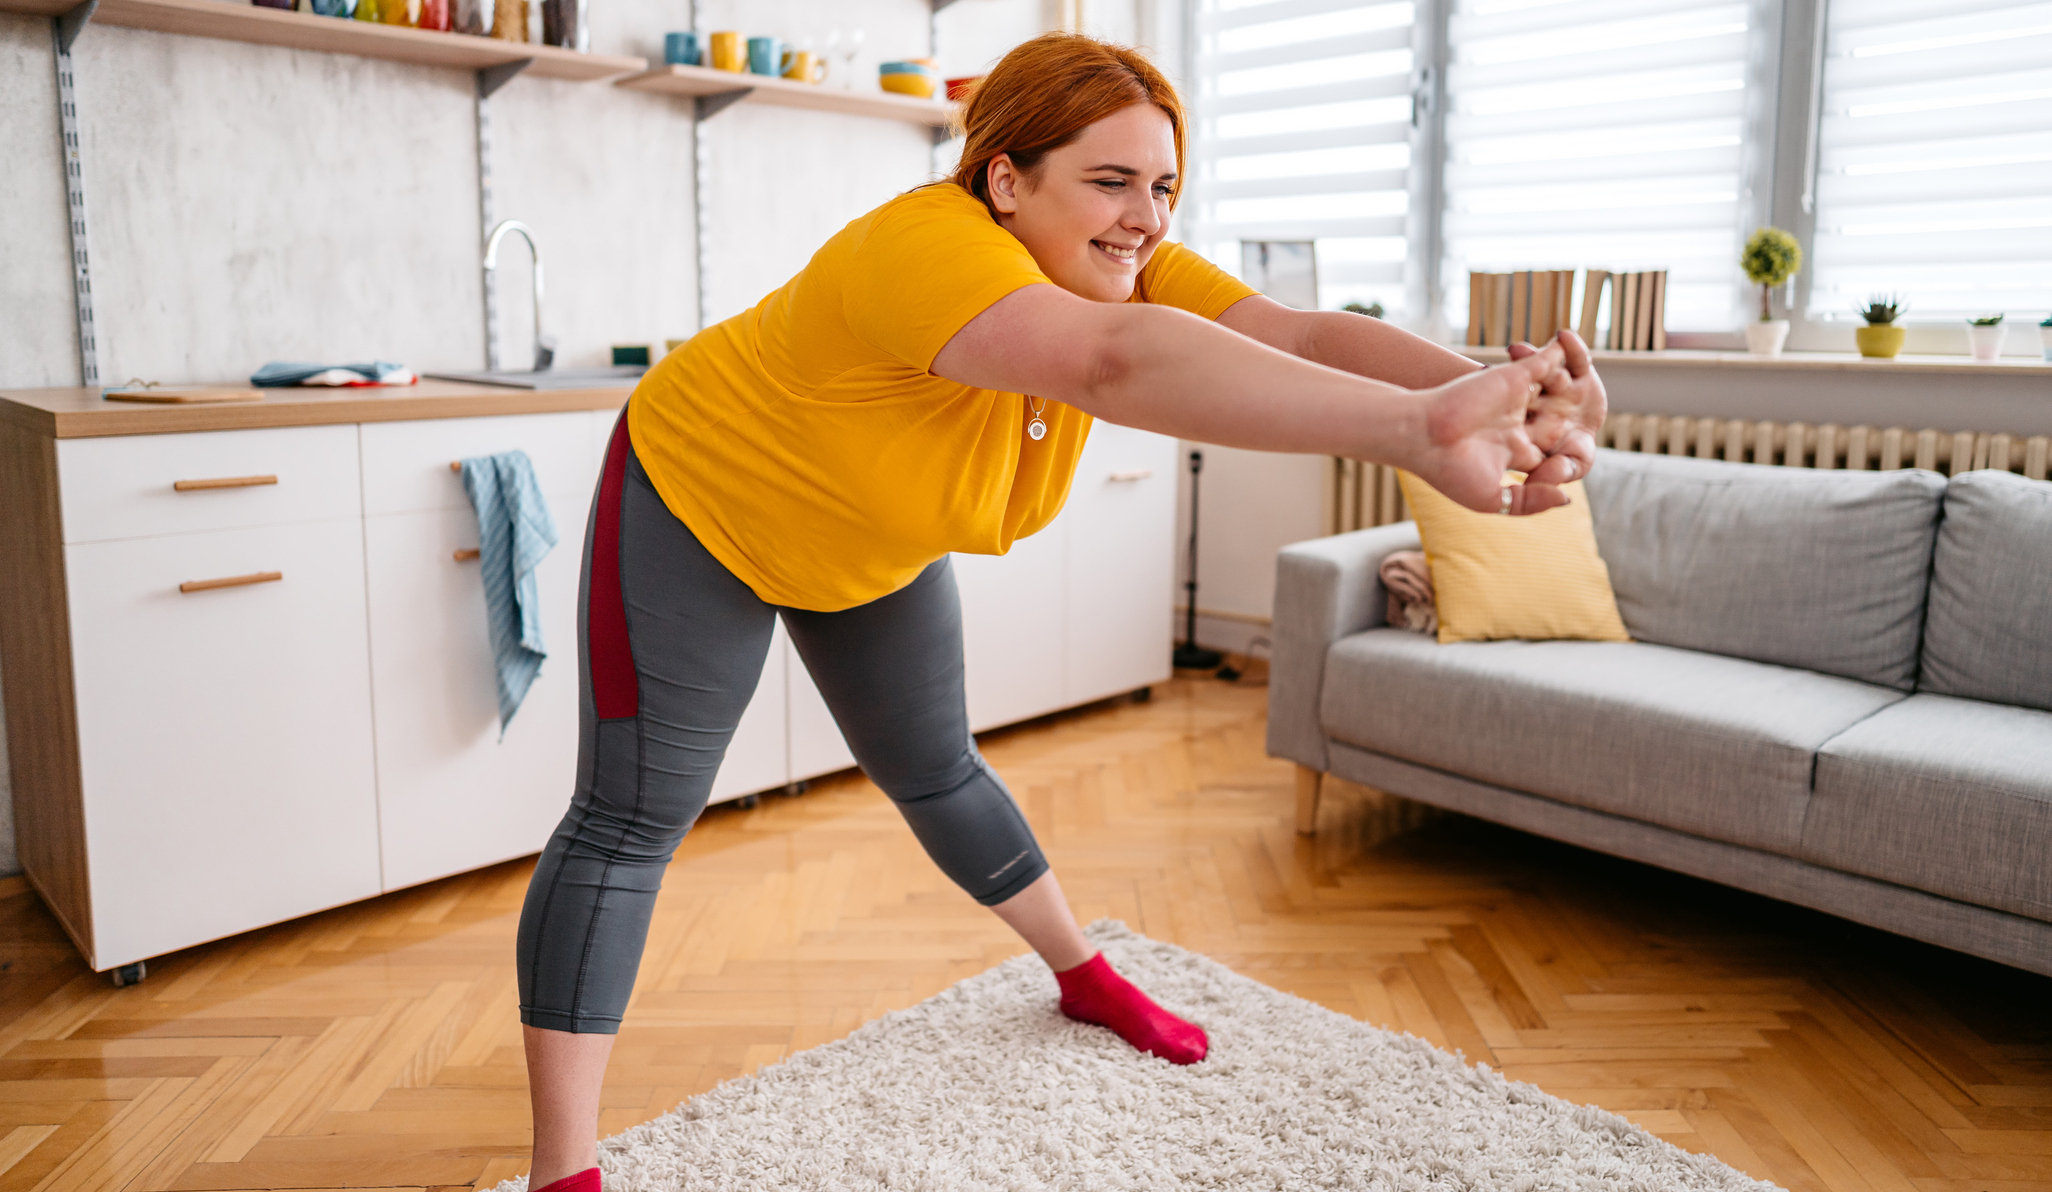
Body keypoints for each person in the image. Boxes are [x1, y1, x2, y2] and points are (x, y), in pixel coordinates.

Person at [514, 31, 1604, 1192]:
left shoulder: (1114, 263)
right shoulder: (924, 247)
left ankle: (1082, 972)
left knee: (936, 768)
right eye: (1111, 181)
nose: (1146, 218)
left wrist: (1488, 391)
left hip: (867, 537)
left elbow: (1288, 336)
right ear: (1005, 180)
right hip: (704, 501)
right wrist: (1418, 431)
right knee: (631, 821)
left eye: (1163, 186)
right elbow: (1109, 366)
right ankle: (562, 1170)